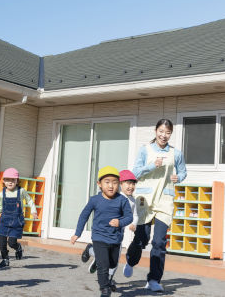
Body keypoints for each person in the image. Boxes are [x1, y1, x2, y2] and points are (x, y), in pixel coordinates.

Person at [124, 119, 187, 292]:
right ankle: (130, 260)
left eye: (167, 132)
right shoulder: (145, 149)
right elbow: (135, 172)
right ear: (155, 131)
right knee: (142, 239)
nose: (164, 135)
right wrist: (152, 165)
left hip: (164, 200)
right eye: (161, 131)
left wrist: (178, 178)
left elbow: (183, 171)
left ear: (171, 134)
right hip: (145, 198)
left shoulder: (176, 153)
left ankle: (154, 279)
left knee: (159, 242)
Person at [71, 166, 133, 297]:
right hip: (99, 237)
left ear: (119, 184)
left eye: (115, 182)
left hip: (115, 239)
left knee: (112, 263)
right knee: (103, 265)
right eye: (107, 182)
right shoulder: (95, 200)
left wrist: (120, 222)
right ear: (99, 184)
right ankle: (105, 289)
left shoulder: (122, 200)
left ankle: (89, 250)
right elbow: (84, 215)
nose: (111, 186)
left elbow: (129, 217)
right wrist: (77, 233)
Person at [0, 168, 37, 268]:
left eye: (13, 180)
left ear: (17, 181)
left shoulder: (21, 191)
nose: (10, 182)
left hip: (16, 222)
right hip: (4, 221)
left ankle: (18, 247)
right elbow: (0, 207)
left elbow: (30, 201)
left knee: (11, 242)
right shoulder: (2, 193)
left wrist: (33, 211)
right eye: (7, 180)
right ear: (3, 181)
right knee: (2, 243)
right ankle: (5, 259)